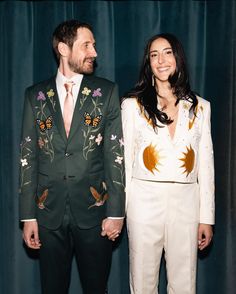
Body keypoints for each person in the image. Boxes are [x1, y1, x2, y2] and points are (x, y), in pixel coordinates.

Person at [19, 19, 125, 294]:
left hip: (95, 212)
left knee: (96, 288)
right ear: (64, 49)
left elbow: (116, 155)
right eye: (87, 45)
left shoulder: (106, 93)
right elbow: (28, 156)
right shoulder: (35, 95)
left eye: (94, 45)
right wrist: (28, 216)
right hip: (48, 213)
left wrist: (116, 212)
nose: (94, 52)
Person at [121, 33, 214, 294]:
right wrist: (121, 211)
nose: (161, 60)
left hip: (187, 203)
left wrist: (206, 217)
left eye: (167, 52)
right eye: (154, 55)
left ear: (178, 58)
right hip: (143, 202)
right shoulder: (132, 106)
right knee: (142, 281)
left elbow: (206, 165)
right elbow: (125, 163)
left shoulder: (201, 108)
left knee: (184, 282)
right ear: (148, 62)